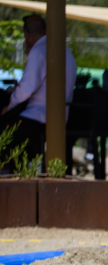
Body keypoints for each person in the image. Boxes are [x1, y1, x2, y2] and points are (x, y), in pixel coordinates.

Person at [0, 14, 77, 165]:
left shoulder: (40, 50)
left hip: (36, 118)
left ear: (27, 35)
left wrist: (8, 108)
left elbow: (26, 89)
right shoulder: (66, 51)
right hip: (59, 117)